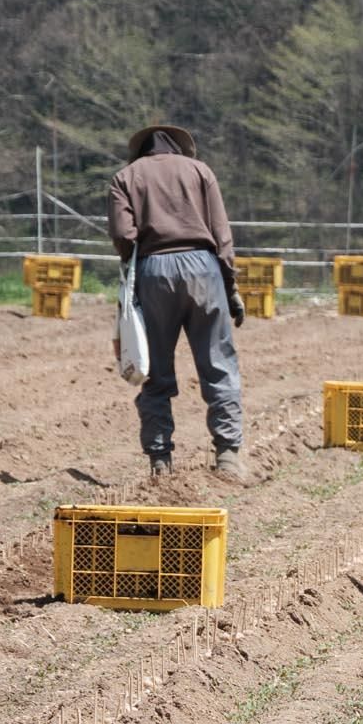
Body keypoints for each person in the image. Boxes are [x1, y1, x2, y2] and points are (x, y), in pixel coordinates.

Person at [109, 123, 246, 484]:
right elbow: (222, 234)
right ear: (179, 147)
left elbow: (124, 236)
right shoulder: (201, 171)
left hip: (153, 270)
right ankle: (228, 455)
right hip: (204, 270)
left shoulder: (125, 177)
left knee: (154, 367)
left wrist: (137, 267)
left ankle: (159, 459)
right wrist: (230, 285)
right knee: (218, 363)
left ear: (141, 150)